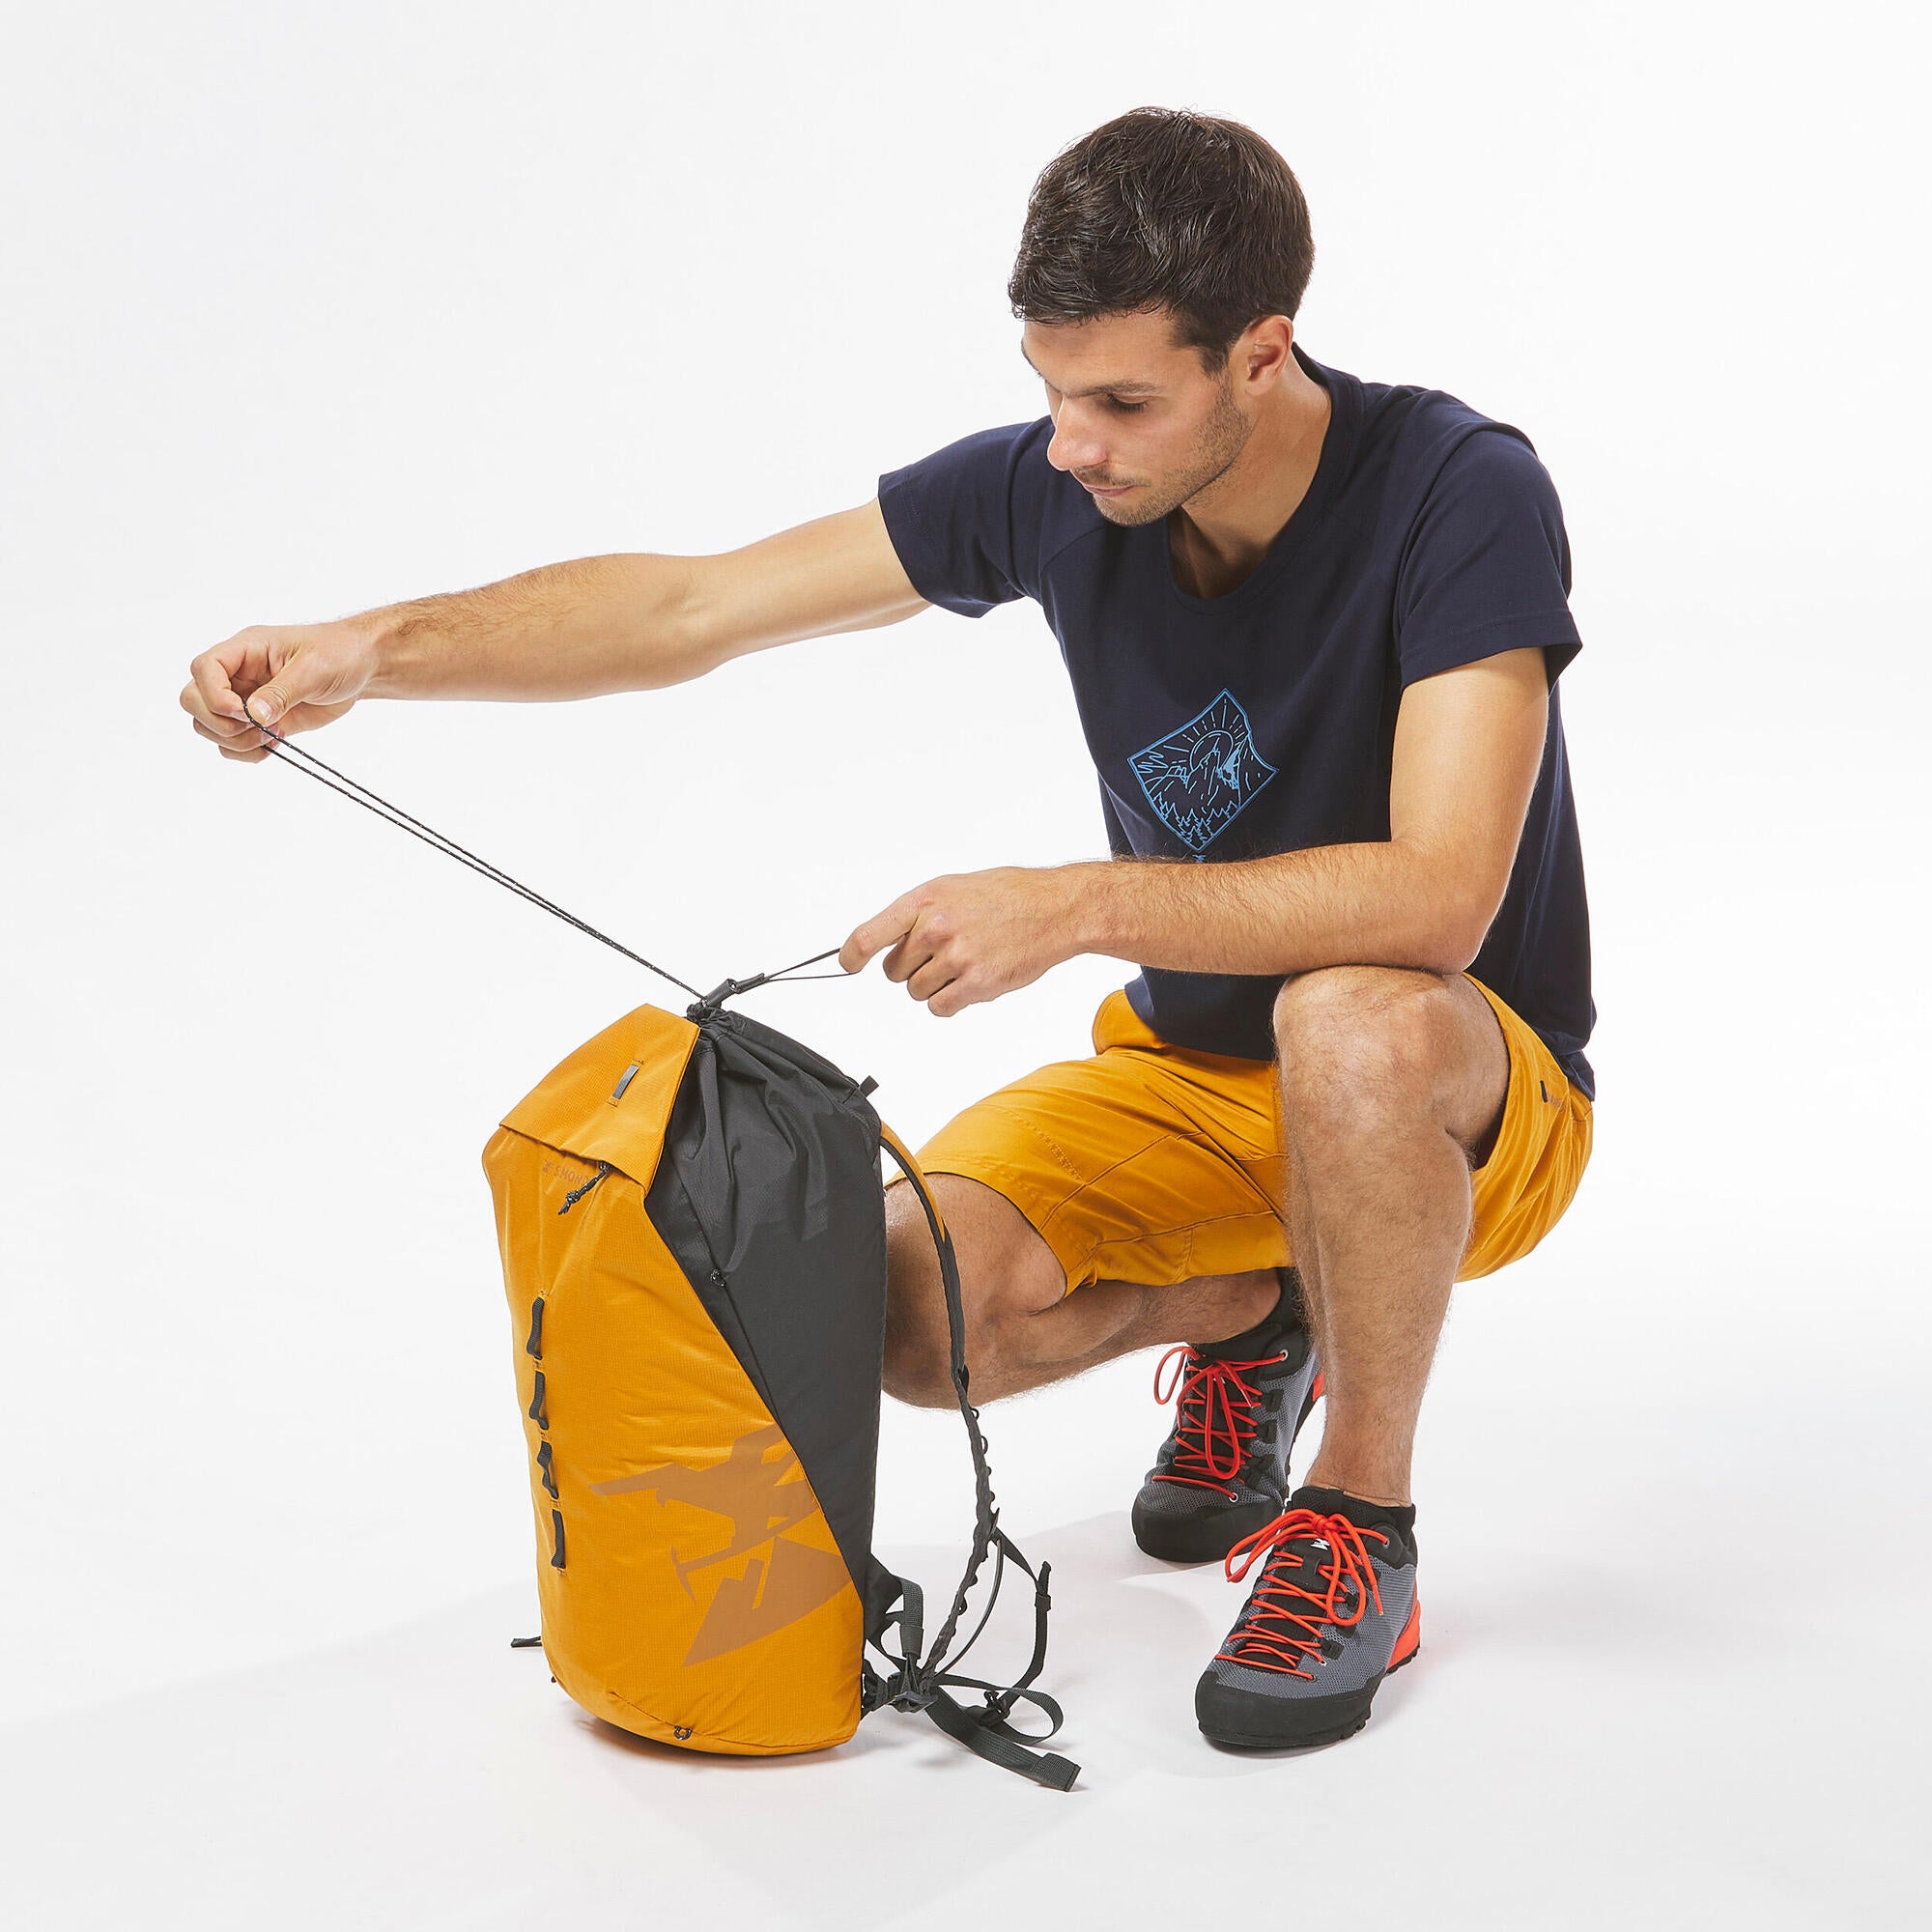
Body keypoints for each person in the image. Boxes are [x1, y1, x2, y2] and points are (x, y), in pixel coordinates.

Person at [180, 106, 1593, 1752]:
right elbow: (693, 605)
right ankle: (1260, 1313)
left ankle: (1360, 1523)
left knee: (1348, 1011)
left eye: (1125, 402)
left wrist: (1073, 904)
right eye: (1052, 393)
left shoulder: (1455, 489)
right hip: (1194, 1081)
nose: (1074, 445)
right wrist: (372, 647)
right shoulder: (1063, 488)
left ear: (1261, 356)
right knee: (915, 1311)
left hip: (1460, 1095)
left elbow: (1439, 896)